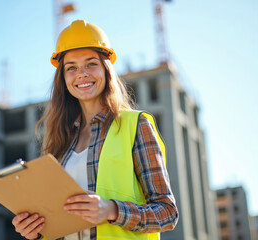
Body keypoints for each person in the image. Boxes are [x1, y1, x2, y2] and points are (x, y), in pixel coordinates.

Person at [12, 20, 178, 240]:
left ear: (106, 69)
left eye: (91, 64)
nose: (81, 74)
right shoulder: (62, 140)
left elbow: (167, 213)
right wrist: (36, 231)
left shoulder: (135, 125)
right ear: (63, 78)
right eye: (71, 67)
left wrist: (111, 210)